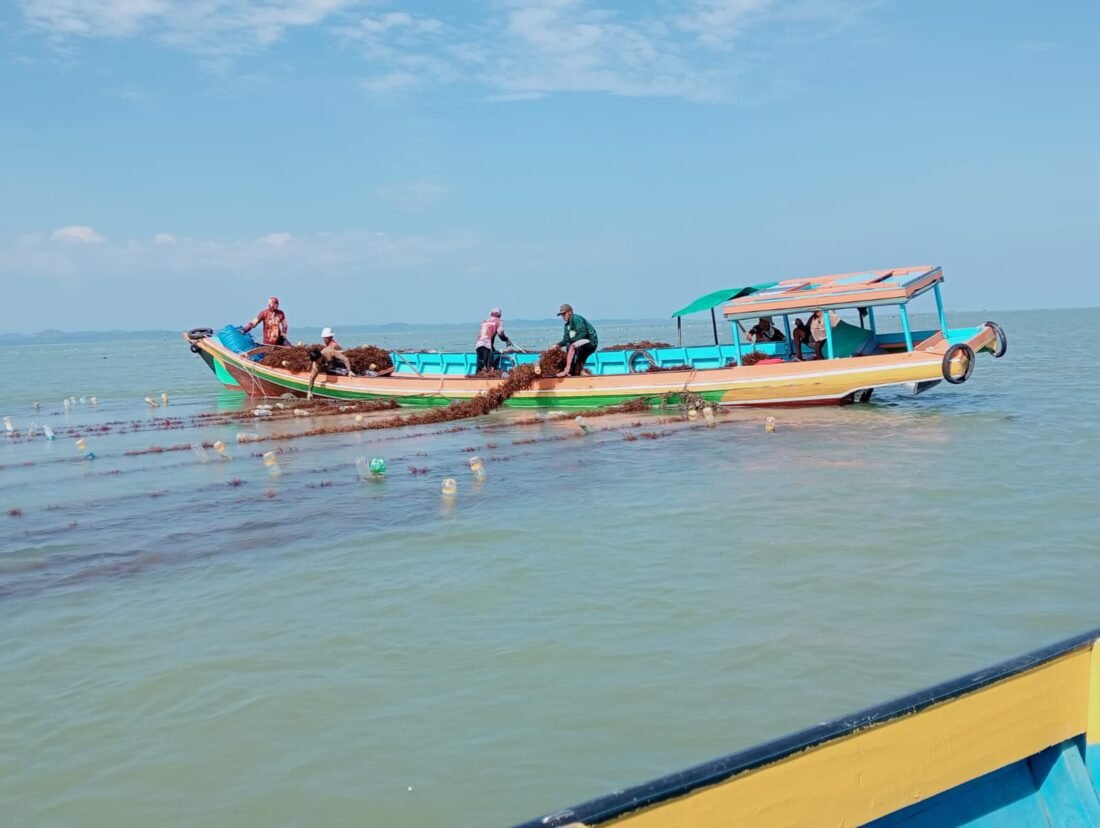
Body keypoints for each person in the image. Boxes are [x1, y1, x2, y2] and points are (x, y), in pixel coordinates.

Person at [555, 304, 598, 377]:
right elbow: (566, 339)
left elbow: (583, 333)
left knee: (573, 345)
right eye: (562, 315)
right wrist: (558, 345)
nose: (563, 316)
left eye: (564, 314)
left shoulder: (576, 318)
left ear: (570, 312)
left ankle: (570, 369)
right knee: (569, 344)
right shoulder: (566, 326)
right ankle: (573, 370)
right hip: (579, 343)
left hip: (590, 342)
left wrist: (572, 341)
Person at [474, 308, 513, 373]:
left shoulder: (484, 321)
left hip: (478, 344)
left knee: (479, 366)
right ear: (499, 315)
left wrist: (493, 349)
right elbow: (500, 333)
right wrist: (506, 340)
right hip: (487, 345)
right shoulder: (499, 321)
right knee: (488, 366)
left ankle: (477, 376)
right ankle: (488, 376)